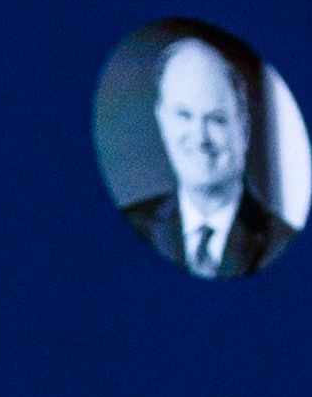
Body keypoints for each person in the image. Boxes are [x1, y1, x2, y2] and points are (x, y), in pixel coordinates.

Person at [123, 30, 287, 280]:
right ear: (162, 121)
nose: (200, 138)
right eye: (184, 115)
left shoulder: (281, 245)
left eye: (216, 119)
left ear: (243, 128)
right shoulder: (131, 229)